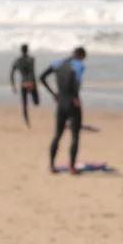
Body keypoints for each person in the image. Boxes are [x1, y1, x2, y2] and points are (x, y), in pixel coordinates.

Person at [39, 46, 87, 174]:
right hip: (72, 103)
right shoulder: (79, 66)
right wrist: (75, 98)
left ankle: (51, 165)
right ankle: (72, 167)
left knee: (57, 134)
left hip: (61, 102)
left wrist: (53, 93)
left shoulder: (57, 63)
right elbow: (76, 83)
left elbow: (42, 77)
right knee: (75, 135)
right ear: (81, 56)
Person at [10, 44, 39, 126]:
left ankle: (27, 121)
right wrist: (34, 84)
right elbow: (32, 72)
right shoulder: (32, 59)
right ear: (27, 50)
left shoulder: (17, 61)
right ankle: (28, 120)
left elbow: (12, 73)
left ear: (21, 50)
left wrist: (13, 85)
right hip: (31, 82)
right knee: (36, 102)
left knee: (24, 104)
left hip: (23, 83)